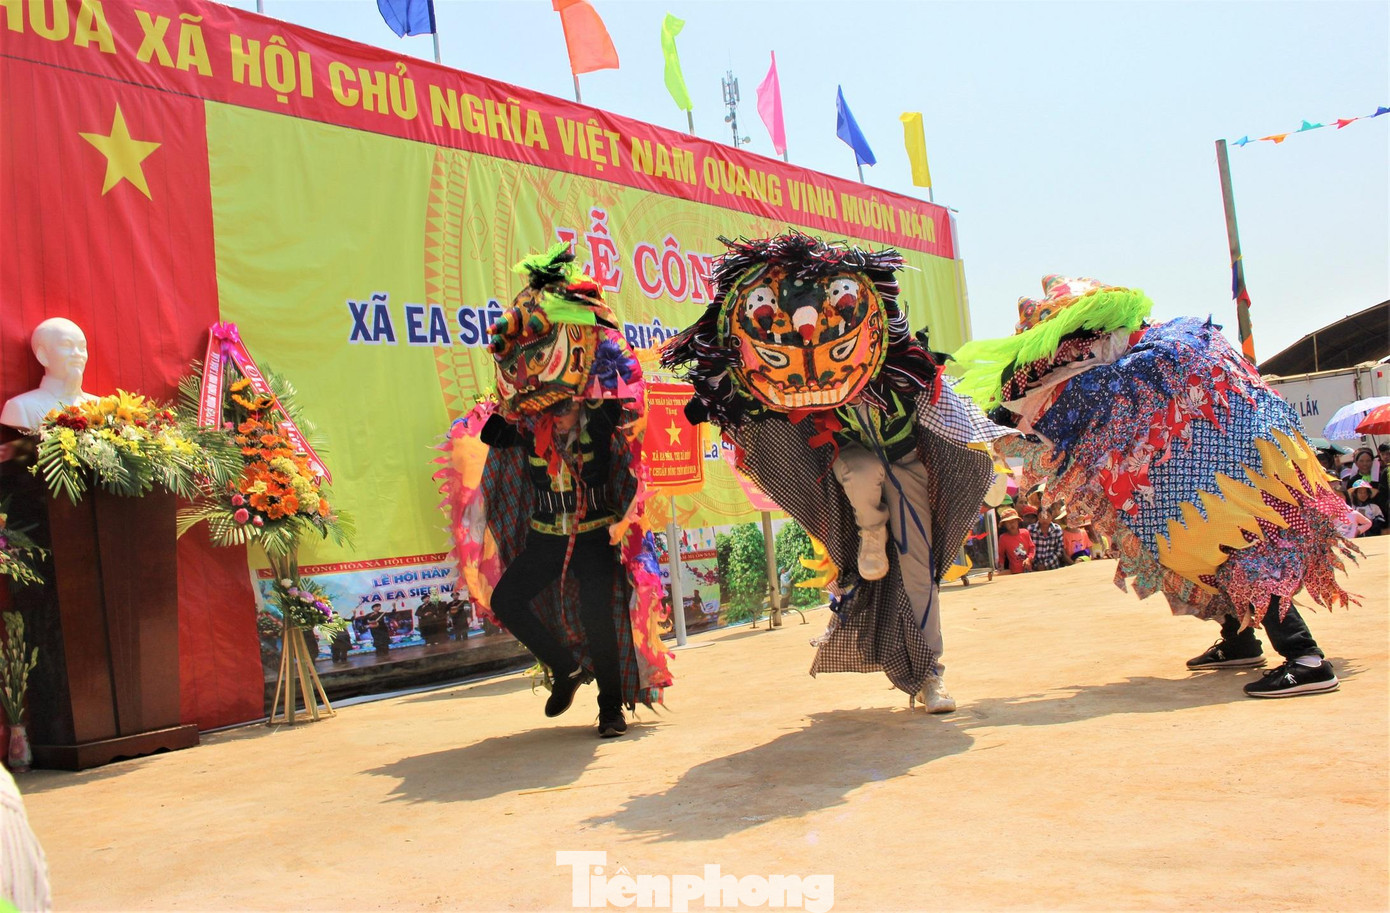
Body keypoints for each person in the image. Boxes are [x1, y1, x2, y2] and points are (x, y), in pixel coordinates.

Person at [663, 232, 1013, 714]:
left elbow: (951, 407)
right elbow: (745, 392)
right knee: (859, 466)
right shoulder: (800, 380)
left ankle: (930, 674)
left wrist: (988, 451)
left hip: (909, 463)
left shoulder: (898, 365)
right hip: (853, 468)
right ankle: (870, 531)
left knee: (919, 569)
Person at [956, 275, 1354, 699]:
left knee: (1244, 548)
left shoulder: (1162, 349)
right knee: (1199, 551)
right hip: (1205, 476)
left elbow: (1084, 395)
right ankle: (1240, 640)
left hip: (1245, 472)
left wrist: (1006, 412)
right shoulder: (1140, 351)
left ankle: (1307, 659)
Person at [437, 244, 672, 737]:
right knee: (508, 599)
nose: (558, 415)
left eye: (566, 406)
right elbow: (491, 434)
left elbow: (624, 408)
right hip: (546, 533)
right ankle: (564, 667)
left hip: (596, 534)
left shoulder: (604, 417)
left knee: (598, 615)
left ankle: (610, 709)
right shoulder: (524, 422)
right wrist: (507, 419)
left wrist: (597, 411)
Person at [1028, 505, 1069, 571]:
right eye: (1042, 517)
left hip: (1053, 567)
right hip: (1035, 568)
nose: (1045, 519)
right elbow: (1029, 549)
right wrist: (1037, 564)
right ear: (1038, 517)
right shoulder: (1031, 530)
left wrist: (1046, 565)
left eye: (1048, 516)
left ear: (1051, 516)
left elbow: (1059, 550)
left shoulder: (1057, 529)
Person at [995, 507, 1034, 574]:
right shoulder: (1003, 538)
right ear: (1004, 525)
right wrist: (1001, 565)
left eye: (1013, 521)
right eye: (1008, 523)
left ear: (1017, 521)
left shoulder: (1025, 532)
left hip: (1028, 570)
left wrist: (1028, 559)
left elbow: (1032, 548)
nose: (1011, 524)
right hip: (1014, 572)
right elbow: (1001, 554)